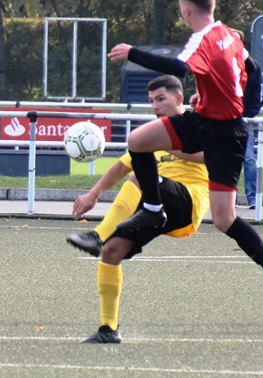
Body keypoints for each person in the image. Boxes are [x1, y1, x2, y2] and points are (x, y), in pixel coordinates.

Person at [107, 0, 263, 318]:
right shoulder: (229, 34)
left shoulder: (203, 38)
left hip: (222, 135)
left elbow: (178, 68)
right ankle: (153, 206)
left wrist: (132, 53)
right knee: (138, 141)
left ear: (186, 10)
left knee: (224, 219)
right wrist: (235, 104)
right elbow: (251, 70)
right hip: (212, 124)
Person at [66, 75, 209, 344]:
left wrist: (168, 144)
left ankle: (97, 235)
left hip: (187, 202)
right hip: (155, 203)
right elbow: (121, 165)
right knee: (112, 252)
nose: (155, 106)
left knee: (140, 178)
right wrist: (94, 193)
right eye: (151, 101)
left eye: (161, 99)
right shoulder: (152, 135)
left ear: (179, 98)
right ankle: (108, 329)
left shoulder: (196, 124)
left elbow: (213, 155)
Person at [232, 29, 263, 209]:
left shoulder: (254, 66)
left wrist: (247, 115)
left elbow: (259, 94)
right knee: (226, 159)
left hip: (244, 120)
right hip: (224, 119)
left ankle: (252, 199)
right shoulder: (219, 64)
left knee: (248, 158)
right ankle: (230, 198)